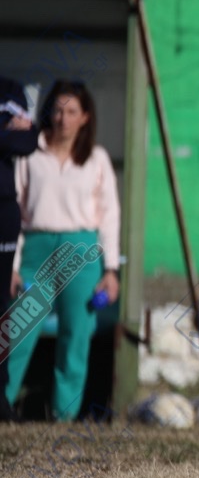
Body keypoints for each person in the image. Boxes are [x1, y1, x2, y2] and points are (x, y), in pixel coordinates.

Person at [5, 81, 119, 422]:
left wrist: (111, 269)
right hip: (35, 248)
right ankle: (3, 403)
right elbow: (15, 208)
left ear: (85, 117)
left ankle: (63, 415)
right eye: (57, 110)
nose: (63, 119)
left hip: (81, 251)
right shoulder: (30, 153)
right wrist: (12, 264)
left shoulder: (96, 158)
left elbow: (110, 215)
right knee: (17, 330)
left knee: (76, 333)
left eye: (71, 112)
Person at [0, 76, 39, 422]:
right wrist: (5, 132)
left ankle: (1, 396)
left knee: (2, 307)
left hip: (3, 214)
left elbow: (26, 141)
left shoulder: (10, 90)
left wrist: (14, 132)